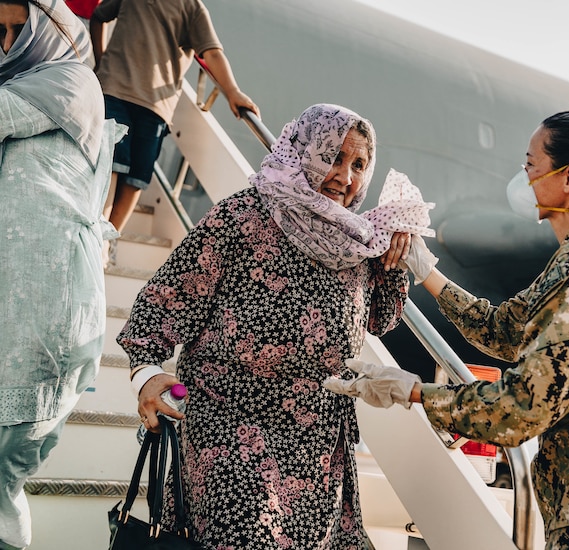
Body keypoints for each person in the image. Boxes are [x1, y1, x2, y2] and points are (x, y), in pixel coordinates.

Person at [325, 110, 569, 549]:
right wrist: (425, 270)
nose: (524, 176)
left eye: (531, 164)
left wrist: (411, 391)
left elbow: (521, 408)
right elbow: (504, 330)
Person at [117, 103, 435, 549]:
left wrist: (393, 257)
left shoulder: (358, 239)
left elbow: (381, 320)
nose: (345, 176)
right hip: (229, 424)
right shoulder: (245, 216)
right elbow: (163, 301)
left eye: (358, 164)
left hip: (316, 443)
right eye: (333, 157)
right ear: (305, 152)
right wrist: (147, 375)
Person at [0, 1, 122, 548]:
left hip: (48, 301)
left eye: (15, 29)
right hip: (14, 294)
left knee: (5, 468)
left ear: (47, 30)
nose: (5, 43)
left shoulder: (71, 81)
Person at [89, 0, 260, 241]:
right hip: (115, 88)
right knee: (111, 165)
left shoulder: (193, 9)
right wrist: (100, 60)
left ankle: (106, 241)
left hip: (156, 104)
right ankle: (96, 238)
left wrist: (232, 91)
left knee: (136, 178)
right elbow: (98, 16)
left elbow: (211, 52)